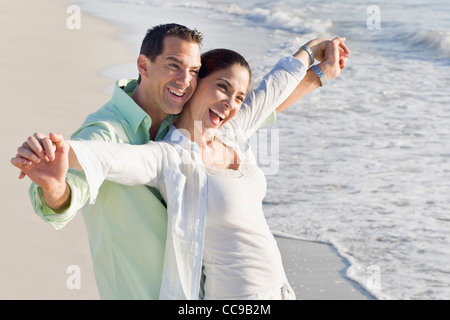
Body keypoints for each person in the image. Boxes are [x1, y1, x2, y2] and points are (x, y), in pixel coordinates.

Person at [12, 23, 350, 299]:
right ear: (144, 66)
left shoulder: (207, 128)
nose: (184, 80)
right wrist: (58, 166)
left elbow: (263, 102)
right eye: (174, 65)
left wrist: (315, 64)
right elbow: (102, 161)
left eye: (192, 70)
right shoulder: (121, 135)